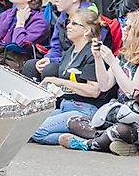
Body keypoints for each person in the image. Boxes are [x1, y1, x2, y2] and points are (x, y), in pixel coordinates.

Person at [60, 12, 139, 156]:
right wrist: (98, 58)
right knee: (74, 121)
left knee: (121, 130)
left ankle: (89, 144)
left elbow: (132, 91)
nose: (123, 29)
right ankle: (112, 141)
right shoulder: (124, 54)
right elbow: (105, 85)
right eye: (124, 25)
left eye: (128, 27)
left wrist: (112, 62)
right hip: (119, 113)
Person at [30, 9, 115, 145]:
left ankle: (80, 141)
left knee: (37, 131)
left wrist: (57, 81)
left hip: (84, 108)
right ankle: (71, 136)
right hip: (65, 106)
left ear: (86, 30)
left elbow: (94, 90)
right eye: (69, 22)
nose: (68, 26)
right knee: (26, 129)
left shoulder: (92, 53)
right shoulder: (71, 50)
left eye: (74, 24)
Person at [23, 0, 97, 80]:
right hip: (62, 60)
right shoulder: (62, 17)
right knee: (30, 66)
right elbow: (56, 47)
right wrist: (48, 58)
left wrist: (54, 61)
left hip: (81, 65)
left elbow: (84, 54)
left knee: (50, 69)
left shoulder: (90, 20)